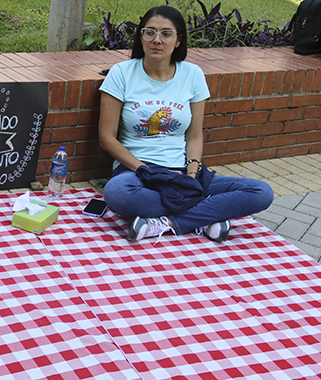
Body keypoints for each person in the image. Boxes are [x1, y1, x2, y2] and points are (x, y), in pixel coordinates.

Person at [98, 5, 273, 243]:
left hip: (182, 173)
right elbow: (106, 137)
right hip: (137, 172)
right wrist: (145, 170)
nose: (156, 40)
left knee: (261, 192)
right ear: (141, 37)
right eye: (149, 32)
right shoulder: (121, 73)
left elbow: (194, 136)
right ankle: (207, 215)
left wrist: (191, 175)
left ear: (178, 40)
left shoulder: (192, 74)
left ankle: (166, 222)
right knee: (117, 194)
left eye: (166, 34)